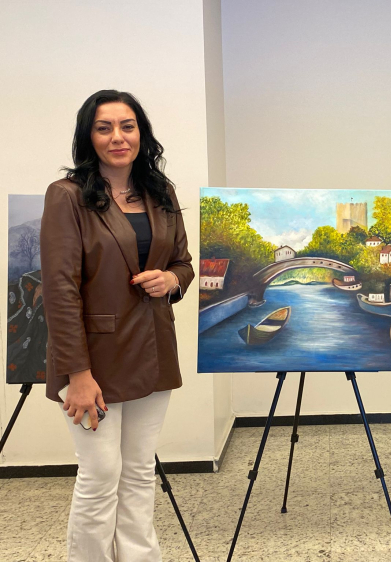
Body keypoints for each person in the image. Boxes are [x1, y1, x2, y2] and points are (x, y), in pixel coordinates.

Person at [40, 90, 194, 561]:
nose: (117, 137)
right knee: (100, 475)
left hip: (154, 349)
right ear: (89, 136)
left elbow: (184, 263)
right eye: (104, 127)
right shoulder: (67, 195)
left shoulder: (161, 192)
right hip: (93, 361)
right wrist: (77, 374)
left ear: (141, 133)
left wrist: (171, 279)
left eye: (127, 126)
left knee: (139, 471)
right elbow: (59, 290)